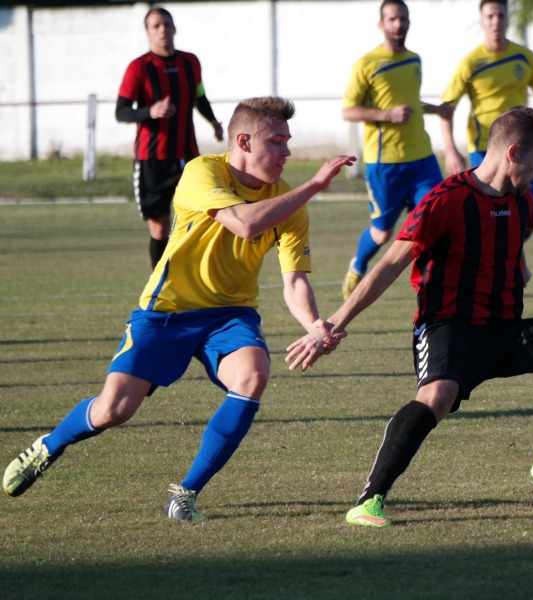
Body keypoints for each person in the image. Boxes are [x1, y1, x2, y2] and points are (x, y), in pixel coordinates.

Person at [3, 97, 354, 522]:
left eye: (288, 142)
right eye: (277, 141)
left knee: (253, 375)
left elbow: (294, 281)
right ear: (243, 140)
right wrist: (315, 185)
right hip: (166, 311)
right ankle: (49, 445)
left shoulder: (288, 205)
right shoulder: (202, 171)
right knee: (114, 410)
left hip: (229, 315)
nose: (287, 152)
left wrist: (315, 324)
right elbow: (244, 222)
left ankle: (185, 493)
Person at [287, 106, 533, 525]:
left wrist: (516, 266)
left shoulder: (519, 198)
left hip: (504, 328)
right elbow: (388, 266)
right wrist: (332, 324)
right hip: (448, 327)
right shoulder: (445, 199)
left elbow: (503, 243)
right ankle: (369, 499)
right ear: (513, 152)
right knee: (436, 398)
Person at [340, 0, 451, 300]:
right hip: (384, 164)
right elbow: (349, 111)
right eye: (392, 19)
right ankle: (358, 264)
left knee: (437, 220)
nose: (398, 24)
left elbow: (410, 103)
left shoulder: (415, 60)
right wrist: (386, 116)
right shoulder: (367, 64)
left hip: (422, 160)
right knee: (382, 233)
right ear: (381, 24)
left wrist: (436, 109)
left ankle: (431, 287)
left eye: (403, 18)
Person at [116, 6, 225, 269]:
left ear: (174, 28)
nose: (162, 29)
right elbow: (121, 111)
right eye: (156, 26)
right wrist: (150, 111)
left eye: (166, 24)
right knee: (159, 224)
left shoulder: (191, 63)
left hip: (188, 156)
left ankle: (195, 276)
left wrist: (214, 123)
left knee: (202, 215)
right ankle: (160, 283)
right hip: (152, 158)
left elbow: (200, 97)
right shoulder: (138, 68)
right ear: (148, 33)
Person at [441, 0, 533, 233]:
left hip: (522, 148)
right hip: (485, 149)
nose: (495, 21)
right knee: (492, 212)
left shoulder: (524, 57)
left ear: (507, 19)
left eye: (500, 15)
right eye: (490, 16)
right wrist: (450, 149)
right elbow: (446, 107)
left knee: (532, 213)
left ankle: (509, 255)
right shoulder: (470, 63)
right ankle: (499, 260)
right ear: (481, 22)